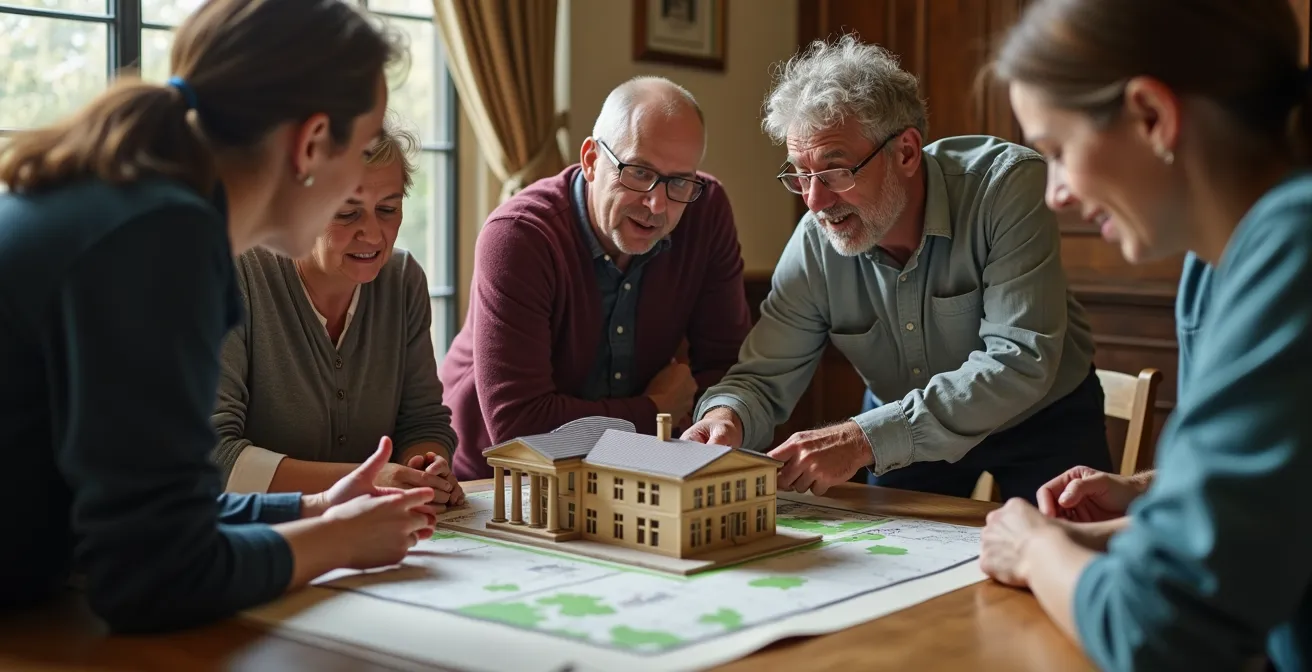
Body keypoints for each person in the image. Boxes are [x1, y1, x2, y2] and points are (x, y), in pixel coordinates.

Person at [0, 0, 437, 633]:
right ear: (313, 143)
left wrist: (314, 507)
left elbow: (147, 510)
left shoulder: (134, 204)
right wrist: (337, 542)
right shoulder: (159, 240)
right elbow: (154, 573)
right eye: (361, 146)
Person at [978, 0, 1312, 669]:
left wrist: (1039, 552)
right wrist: (1150, 503)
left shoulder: (1292, 247)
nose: (1055, 194)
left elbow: (1161, 632)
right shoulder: (1214, 265)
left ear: (1152, 116)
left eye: (1058, 151)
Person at [682, 35, 1110, 501]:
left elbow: (1020, 360)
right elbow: (764, 376)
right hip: (904, 436)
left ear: (905, 152)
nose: (815, 201)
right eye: (800, 175)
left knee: (1058, 564)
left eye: (835, 171)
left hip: (1041, 420)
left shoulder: (1006, 187)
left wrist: (862, 438)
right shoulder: (815, 241)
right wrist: (727, 415)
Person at [440, 76, 752, 481]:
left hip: (636, 478)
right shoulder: (518, 235)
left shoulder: (704, 209)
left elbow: (725, 367)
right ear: (590, 160)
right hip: (494, 484)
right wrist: (655, 410)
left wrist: (714, 419)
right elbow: (520, 430)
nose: (657, 204)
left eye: (678, 181)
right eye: (639, 172)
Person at [212, 115, 463, 509]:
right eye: (347, 213)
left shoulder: (402, 280)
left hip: (369, 531)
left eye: (388, 209)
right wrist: (367, 480)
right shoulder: (237, 275)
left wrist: (425, 468)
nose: (374, 234)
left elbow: (423, 422)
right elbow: (216, 456)